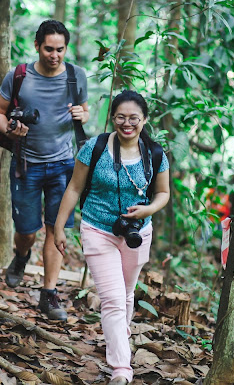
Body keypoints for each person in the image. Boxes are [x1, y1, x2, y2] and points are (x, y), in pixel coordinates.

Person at [54, 90, 170, 385]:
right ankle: (121, 369)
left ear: (144, 119)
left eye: (133, 118)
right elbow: (74, 188)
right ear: (112, 118)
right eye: (120, 117)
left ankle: (119, 337)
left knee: (127, 294)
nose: (127, 123)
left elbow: (163, 193)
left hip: (137, 233)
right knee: (114, 300)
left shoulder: (155, 154)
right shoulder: (94, 148)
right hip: (98, 229)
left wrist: (148, 209)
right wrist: (59, 227)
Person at [0, 20, 89, 321]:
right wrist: (9, 128)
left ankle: (49, 294)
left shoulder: (76, 75)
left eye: (60, 49)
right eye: (48, 49)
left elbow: (84, 111)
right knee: (26, 231)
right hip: (26, 165)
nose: (54, 55)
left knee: (56, 229)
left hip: (64, 166)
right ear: (37, 46)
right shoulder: (19, 76)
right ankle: (21, 256)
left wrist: (82, 114)